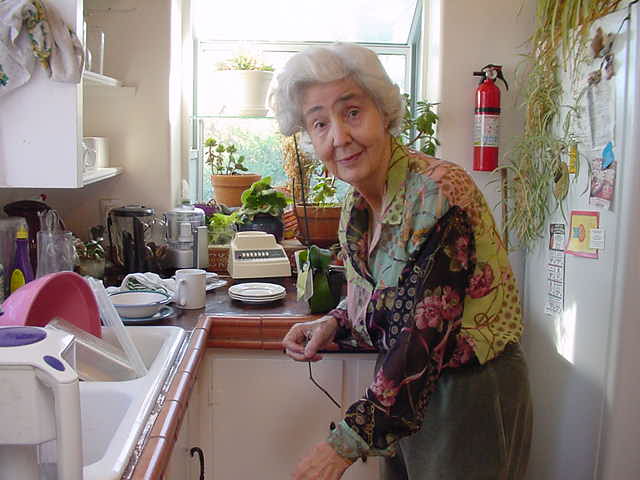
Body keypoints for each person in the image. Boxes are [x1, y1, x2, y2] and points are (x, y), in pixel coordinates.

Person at [271, 43, 532, 480]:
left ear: (383, 112)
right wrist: (334, 320)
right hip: (401, 395)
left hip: (467, 393)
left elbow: (423, 335)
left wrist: (344, 444)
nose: (338, 136)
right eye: (319, 123)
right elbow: (384, 293)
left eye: (351, 112)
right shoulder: (358, 206)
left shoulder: (437, 192)